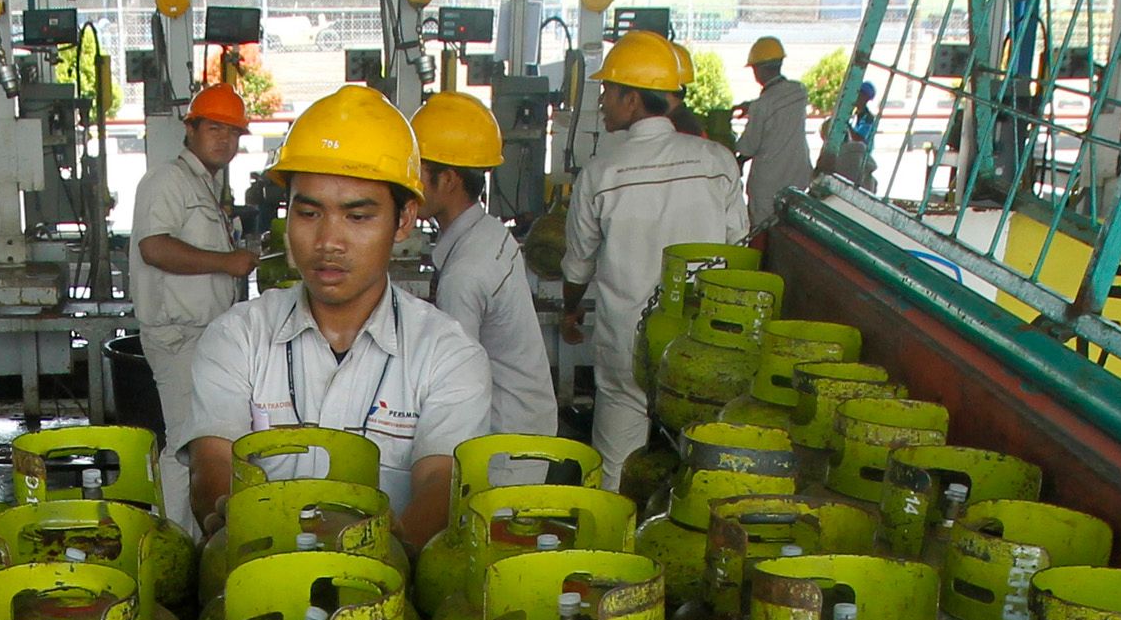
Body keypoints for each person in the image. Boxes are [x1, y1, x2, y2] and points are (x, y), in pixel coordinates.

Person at [182, 86, 493, 552]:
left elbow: (440, 479)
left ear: (404, 219)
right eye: (308, 213)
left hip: (386, 591)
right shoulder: (237, 337)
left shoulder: (447, 354)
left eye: (358, 217)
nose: (329, 241)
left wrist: (380, 549)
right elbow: (213, 459)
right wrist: (230, 515)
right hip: (259, 578)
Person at [563, 29, 748, 488]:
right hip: (701, 346)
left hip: (627, 343)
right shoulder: (716, 160)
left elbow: (578, 265)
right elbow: (738, 247)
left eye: (608, 90)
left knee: (614, 467)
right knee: (701, 466)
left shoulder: (602, 173)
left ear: (631, 100)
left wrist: (570, 310)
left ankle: (613, 545)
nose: (602, 101)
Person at [132, 82, 256, 527]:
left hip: (205, 335)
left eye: (233, 132)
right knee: (186, 442)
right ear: (191, 129)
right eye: (213, 128)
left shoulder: (205, 186)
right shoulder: (167, 181)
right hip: (177, 333)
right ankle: (175, 541)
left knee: (201, 436)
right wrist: (228, 262)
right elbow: (154, 249)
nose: (224, 139)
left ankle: (186, 537)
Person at [412, 91, 559, 438]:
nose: (408, 183)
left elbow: (454, 383)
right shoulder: (491, 232)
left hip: (503, 441)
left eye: (416, 171)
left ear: (447, 180)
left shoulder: (464, 274)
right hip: (528, 419)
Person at [735, 36, 812, 233]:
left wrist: (737, 160)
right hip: (798, 175)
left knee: (765, 236)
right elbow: (778, 101)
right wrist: (751, 106)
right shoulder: (799, 91)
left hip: (768, 185)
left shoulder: (762, 106)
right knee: (794, 232)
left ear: (758, 69)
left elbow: (748, 147)